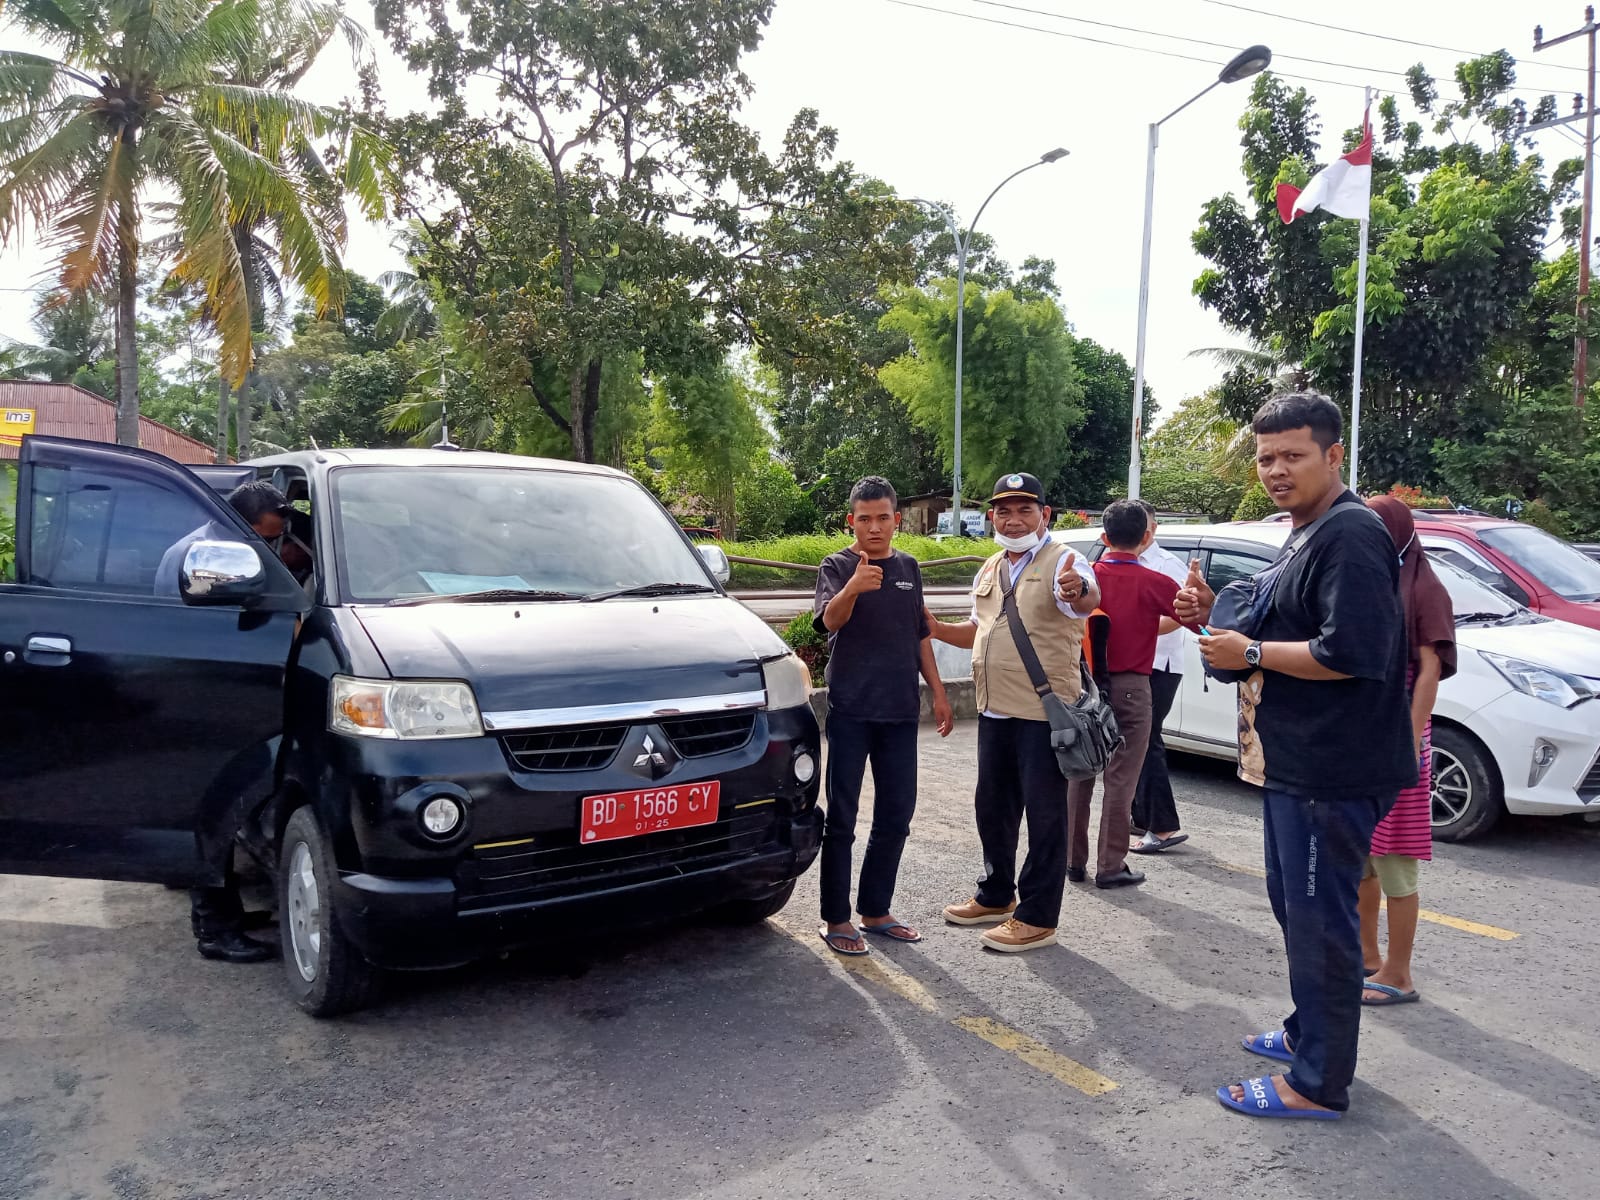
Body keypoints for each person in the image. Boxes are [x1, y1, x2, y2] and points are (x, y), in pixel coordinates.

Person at [1176, 392, 1415, 1121]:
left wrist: (1246, 650)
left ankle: (1317, 1083)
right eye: (1265, 458)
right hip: (1295, 765)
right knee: (1297, 909)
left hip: (1331, 769)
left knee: (1320, 922)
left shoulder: (1350, 534)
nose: (1276, 470)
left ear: (1333, 455)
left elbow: (1353, 652)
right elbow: (1291, 620)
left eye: (1293, 456)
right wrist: (1216, 613)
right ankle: (1308, 1032)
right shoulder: (1306, 531)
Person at [927, 472, 1101, 953]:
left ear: (1045, 515)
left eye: (1026, 509)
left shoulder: (1066, 561)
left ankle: (1038, 916)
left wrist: (1075, 591)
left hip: (1045, 714)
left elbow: (1086, 597)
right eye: (1004, 509)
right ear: (992, 517)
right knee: (994, 806)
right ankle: (997, 893)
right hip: (994, 710)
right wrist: (936, 629)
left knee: (1046, 815)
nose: (1014, 517)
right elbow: (978, 630)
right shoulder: (990, 567)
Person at [813, 477, 954, 956]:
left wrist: (937, 692)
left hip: (899, 710)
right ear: (851, 520)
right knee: (843, 817)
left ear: (898, 519)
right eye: (865, 519)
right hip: (851, 709)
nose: (875, 527)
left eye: (883, 517)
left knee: (897, 815)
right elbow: (829, 622)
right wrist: (853, 585)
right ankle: (835, 917)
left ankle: (875, 910)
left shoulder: (909, 567)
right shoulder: (835, 565)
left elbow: (919, 634)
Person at [165, 480, 295, 963]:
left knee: (217, 812)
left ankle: (227, 914)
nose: (269, 546)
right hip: (196, 694)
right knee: (211, 814)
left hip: (202, 687)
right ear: (243, 521)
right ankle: (215, 932)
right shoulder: (211, 555)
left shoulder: (215, 542)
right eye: (264, 536)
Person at [1359, 496, 1457, 1008]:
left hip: (1398, 741)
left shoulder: (1423, 587)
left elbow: (1428, 674)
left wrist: (1409, 743)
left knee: (1395, 863)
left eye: (1376, 528)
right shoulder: (1373, 578)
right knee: (1363, 862)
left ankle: (1399, 973)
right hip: (1363, 740)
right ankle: (1368, 956)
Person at [1066, 500, 1186, 888]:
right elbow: (1192, 616)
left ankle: (1072, 860)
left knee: (1079, 771)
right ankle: (1111, 865)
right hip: (1133, 685)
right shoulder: (1155, 581)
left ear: (1104, 537)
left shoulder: (1088, 578)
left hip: (1084, 685)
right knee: (1121, 779)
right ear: (1146, 536)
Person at [1129, 498, 1191, 854]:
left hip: (1159, 666)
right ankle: (1140, 815)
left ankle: (1164, 827)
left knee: (1147, 742)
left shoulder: (1168, 566)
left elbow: (1180, 614)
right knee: (1131, 742)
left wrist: (1138, 631)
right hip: (1129, 664)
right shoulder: (1116, 558)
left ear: (1152, 530)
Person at [156, 479, 293, 596]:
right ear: (236, 524)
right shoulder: (189, 556)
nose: (268, 547)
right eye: (265, 539)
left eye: (275, 539)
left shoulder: (247, 552)